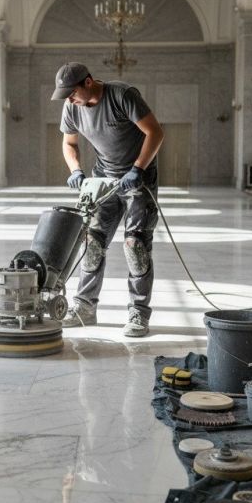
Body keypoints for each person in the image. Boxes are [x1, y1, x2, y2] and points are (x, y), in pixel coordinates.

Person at [51, 62, 164, 337]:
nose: (69, 99)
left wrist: (138, 169)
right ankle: (85, 308)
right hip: (105, 181)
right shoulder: (72, 107)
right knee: (92, 243)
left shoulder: (122, 96)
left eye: (72, 93)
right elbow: (69, 143)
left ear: (88, 82)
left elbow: (155, 132)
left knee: (134, 245)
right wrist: (75, 170)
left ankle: (138, 312)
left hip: (139, 179)